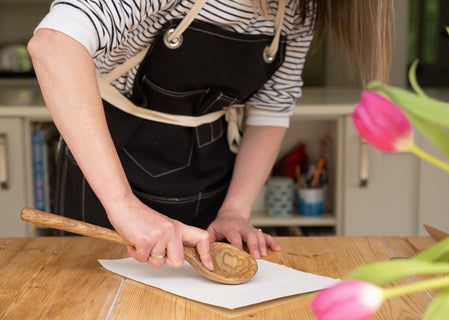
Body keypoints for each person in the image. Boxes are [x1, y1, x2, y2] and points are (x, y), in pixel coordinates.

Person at [28, 0, 394, 270]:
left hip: (209, 167)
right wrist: (122, 205)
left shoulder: (300, 10)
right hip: (111, 161)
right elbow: (53, 45)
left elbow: (272, 109)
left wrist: (235, 211)